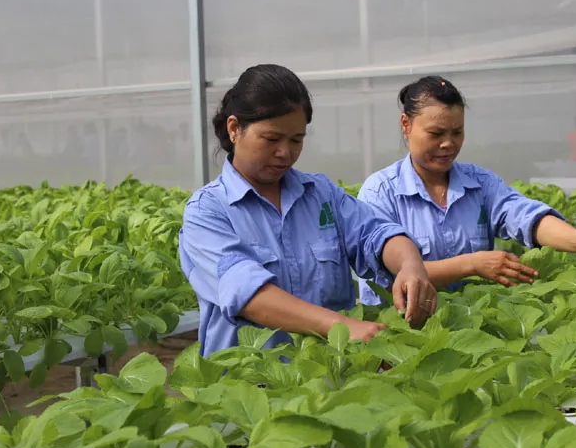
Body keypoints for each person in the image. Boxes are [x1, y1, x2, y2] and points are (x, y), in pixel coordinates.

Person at [178, 64, 436, 357]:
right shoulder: (207, 211)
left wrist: (410, 265)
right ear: (234, 128)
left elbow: (376, 233)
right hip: (249, 379)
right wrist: (343, 327)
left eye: (296, 140)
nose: (285, 152)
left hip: (330, 375)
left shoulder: (320, 194)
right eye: (271, 139)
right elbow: (249, 295)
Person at [356, 76, 576, 305]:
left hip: (471, 325)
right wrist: (471, 264)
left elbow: (524, 216)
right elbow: (393, 277)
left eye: (457, 132)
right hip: (399, 332)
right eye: (436, 133)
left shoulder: (480, 183)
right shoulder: (381, 192)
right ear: (406, 125)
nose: (448, 143)